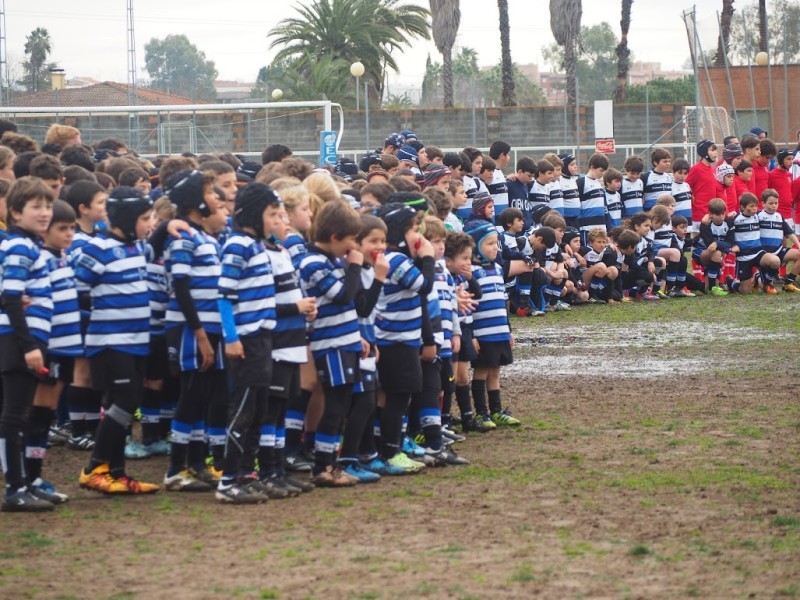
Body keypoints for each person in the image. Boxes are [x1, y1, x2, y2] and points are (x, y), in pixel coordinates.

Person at [76, 186, 160, 496]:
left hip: (138, 341)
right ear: (125, 218)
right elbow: (76, 290)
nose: (150, 223)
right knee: (123, 402)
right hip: (110, 342)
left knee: (125, 403)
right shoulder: (97, 250)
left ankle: (116, 473)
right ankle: (93, 468)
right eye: (144, 218)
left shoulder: (137, 247)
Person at [159, 170, 229, 491]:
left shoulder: (206, 239)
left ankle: (198, 464)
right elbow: (182, 287)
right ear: (196, 201)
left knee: (205, 394)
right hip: (191, 329)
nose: (218, 198)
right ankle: (176, 468)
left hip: (211, 328)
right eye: (212, 193)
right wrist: (199, 332)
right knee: (191, 394)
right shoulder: (184, 236)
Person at [215, 183, 280, 503]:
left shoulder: (258, 245)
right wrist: (231, 337)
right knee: (242, 410)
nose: (274, 220)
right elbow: (224, 297)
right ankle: (228, 480)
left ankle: (245, 474)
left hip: (263, 338)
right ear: (255, 213)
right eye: (271, 214)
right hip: (245, 340)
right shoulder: (237, 245)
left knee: (258, 410)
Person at [298, 200, 365, 487]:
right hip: (331, 344)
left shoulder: (332, 260)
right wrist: (354, 267)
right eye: (351, 240)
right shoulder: (313, 262)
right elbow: (342, 295)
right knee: (336, 405)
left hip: (346, 341)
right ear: (336, 237)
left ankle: (328, 463)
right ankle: (322, 467)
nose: (354, 246)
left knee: (342, 403)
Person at [0, 178, 55, 512]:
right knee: (15, 415)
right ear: (16, 211)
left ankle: (20, 484)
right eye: (36, 206)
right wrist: (28, 344)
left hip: (24, 338)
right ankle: (14, 488)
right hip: (18, 340)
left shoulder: (28, 245)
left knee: (17, 414)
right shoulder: (20, 246)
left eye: (47, 205)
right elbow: (10, 295)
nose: (44, 212)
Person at [373, 202, 435, 473]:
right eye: (412, 229)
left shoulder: (397, 258)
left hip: (398, 339)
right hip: (396, 340)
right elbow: (424, 285)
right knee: (398, 397)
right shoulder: (396, 259)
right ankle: (391, 450)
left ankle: (386, 447)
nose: (418, 236)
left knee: (391, 397)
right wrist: (429, 257)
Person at [26, 199, 80, 506]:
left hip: (68, 347)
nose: (69, 234)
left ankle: (34, 476)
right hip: (51, 348)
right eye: (62, 229)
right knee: (39, 415)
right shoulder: (42, 260)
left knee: (45, 416)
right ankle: (30, 476)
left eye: (72, 228)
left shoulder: (62, 257)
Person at [62, 180, 109, 451]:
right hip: (80, 313)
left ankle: (90, 426)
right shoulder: (79, 241)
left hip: (90, 313)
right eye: (100, 203)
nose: (105, 208)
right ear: (83, 208)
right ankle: (78, 429)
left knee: (89, 372)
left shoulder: (92, 237)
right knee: (81, 371)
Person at [464, 219, 520, 427]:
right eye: (489, 244)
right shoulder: (471, 273)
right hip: (483, 333)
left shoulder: (497, 269)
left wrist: (508, 331)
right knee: (482, 371)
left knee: (495, 370)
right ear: (474, 246)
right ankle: (481, 412)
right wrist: (472, 335)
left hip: (499, 332)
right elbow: (468, 307)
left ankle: (496, 411)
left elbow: (502, 301)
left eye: (496, 243)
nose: (495, 248)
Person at [726, 192, 781, 295]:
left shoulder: (758, 216)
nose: (755, 208)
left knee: (775, 261)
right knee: (745, 292)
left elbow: (769, 215)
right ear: (742, 207)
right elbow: (724, 228)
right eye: (751, 206)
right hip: (743, 257)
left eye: (756, 205)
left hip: (758, 253)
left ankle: (762, 279)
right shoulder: (735, 219)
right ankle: (732, 283)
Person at [758, 188, 800, 293]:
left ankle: (789, 280)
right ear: (763, 203)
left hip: (778, 250)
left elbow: (789, 233)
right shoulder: (758, 216)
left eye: (776, 203)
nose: (774, 206)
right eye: (771, 203)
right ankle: (759, 279)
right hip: (764, 253)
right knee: (775, 288)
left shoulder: (779, 217)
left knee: (799, 254)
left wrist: (798, 245)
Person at [693, 198, 732, 296]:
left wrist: (718, 244)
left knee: (705, 290)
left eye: (723, 214)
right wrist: (722, 247)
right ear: (711, 214)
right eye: (718, 214)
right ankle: (713, 288)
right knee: (717, 253)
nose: (721, 217)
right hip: (700, 252)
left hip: (716, 253)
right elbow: (709, 244)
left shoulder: (729, 222)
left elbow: (730, 242)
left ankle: (711, 286)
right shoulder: (706, 223)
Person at [580, 227, 619, 304]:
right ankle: (592, 295)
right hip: (582, 280)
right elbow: (572, 251)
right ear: (591, 243)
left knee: (613, 270)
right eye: (598, 242)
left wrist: (611, 244)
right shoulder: (585, 250)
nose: (602, 245)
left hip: (594, 281)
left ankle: (598, 293)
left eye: (603, 242)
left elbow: (609, 246)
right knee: (601, 266)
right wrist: (577, 255)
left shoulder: (604, 250)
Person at [577, 153, 609, 241]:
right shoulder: (581, 182)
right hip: (587, 228)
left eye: (604, 171)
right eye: (601, 170)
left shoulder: (598, 184)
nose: (603, 174)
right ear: (592, 167)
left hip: (601, 228)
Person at [506, 156, 536, 230]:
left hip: (526, 228)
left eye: (532, 176)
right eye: (529, 176)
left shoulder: (527, 186)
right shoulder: (509, 184)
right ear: (519, 172)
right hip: (514, 228)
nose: (531, 178)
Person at [487, 141, 511, 218]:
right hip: (494, 222)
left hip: (502, 223)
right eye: (508, 154)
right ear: (502, 155)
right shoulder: (489, 174)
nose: (509, 157)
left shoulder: (499, 172)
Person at [558, 153, 580, 228]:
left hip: (575, 219)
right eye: (572, 164)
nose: (575, 166)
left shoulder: (573, 180)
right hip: (566, 220)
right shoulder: (559, 181)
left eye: (575, 164)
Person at [671, 158, 693, 227]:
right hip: (677, 224)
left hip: (688, 222)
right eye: (680, 173)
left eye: (685, 173)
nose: (683, 176)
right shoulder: (670, 187)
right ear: (674, 173)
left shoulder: (687, 185)